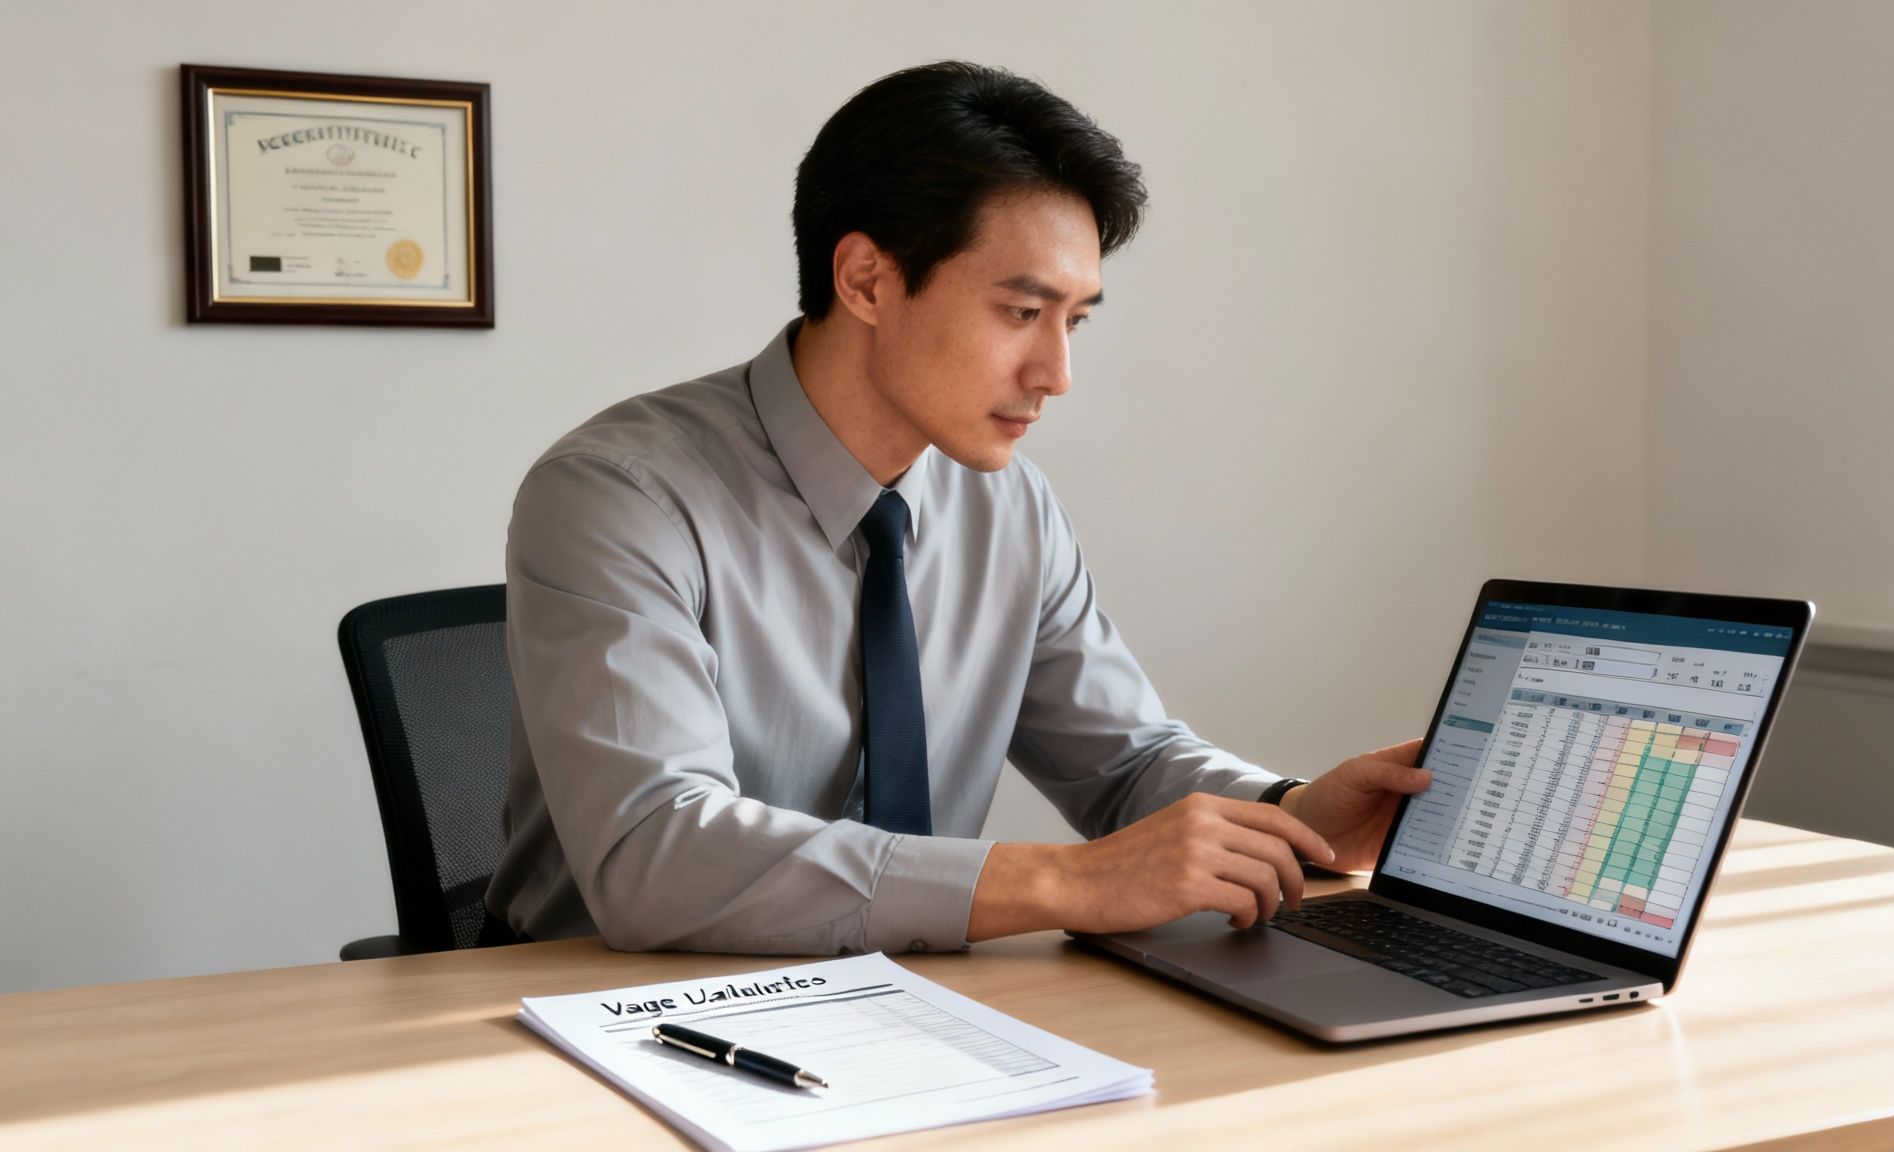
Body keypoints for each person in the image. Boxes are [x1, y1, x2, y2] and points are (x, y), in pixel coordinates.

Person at [481, 61, 1431, 954]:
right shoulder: (619, 494)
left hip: (900, 1000)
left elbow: (1126, 763)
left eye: (1077, 320)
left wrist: (1292, 815)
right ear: (865, 280)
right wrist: (1067, 885)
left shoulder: (1008, 506)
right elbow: (657, 852)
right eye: (1022, 313)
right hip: (603, 1011)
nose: (1057, 374)